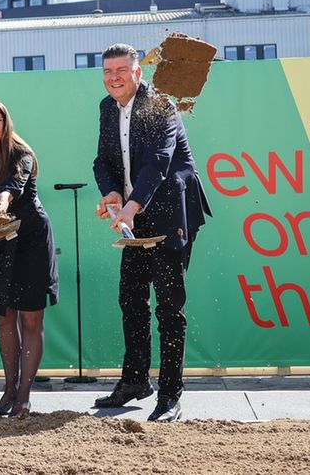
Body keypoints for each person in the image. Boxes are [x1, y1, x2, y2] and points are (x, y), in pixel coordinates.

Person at [91, 44, 212, 422]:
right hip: (135, 214)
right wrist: (111, 191)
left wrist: (130, 205)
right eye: (108, 71)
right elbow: (103, 159)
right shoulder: (107, 108)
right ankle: (135, 381)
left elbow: (159, 162)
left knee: (169, 307)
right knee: (131, 298)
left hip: (169, 210)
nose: (114, 78)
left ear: (138, 72)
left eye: (122, 70)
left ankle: (171, 394)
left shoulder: (161, 104)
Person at [0, 97, 58, 420]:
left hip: (31, 240)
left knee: (31, 318)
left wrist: (0, 205)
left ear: (5, 124)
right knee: (4, 316)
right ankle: (8, 390)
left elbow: (11, 186)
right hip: (0, 242)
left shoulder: (22, 155)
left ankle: (23, 396)